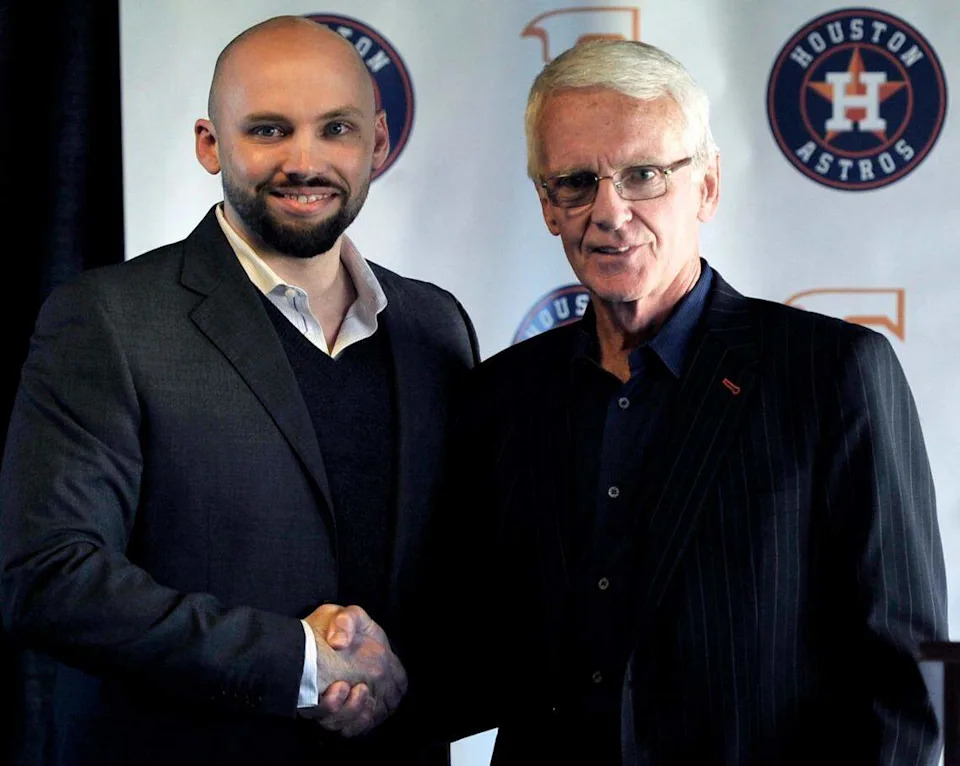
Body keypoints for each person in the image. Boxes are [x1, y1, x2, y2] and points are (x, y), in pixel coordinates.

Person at [442, 39, 947, 764]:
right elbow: (483, 653)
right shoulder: (504, 394)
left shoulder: (832, 374)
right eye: (577, 182)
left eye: (643, 174)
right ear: (548, 207)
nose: (609, 212)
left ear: (707, 187)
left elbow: (904, 681)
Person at [0, 15, 478, 766]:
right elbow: (52, 578)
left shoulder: (436, 327)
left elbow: (457, 574)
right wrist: (299, 661)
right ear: (209, 143)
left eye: (336, 130)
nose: (303, 160)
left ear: (378, 144)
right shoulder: (109, 320)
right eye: (267, 130)